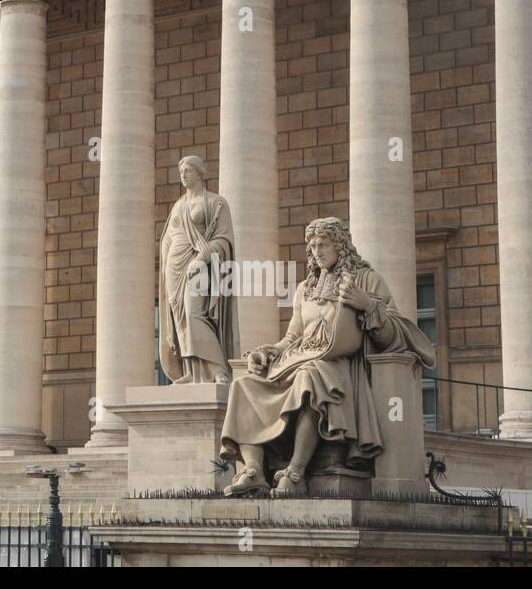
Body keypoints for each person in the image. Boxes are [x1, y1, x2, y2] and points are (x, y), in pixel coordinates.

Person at [221, 217, 434, 497]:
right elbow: (292, 338)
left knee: (311, 376)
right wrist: (267, 351)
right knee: (244, 385)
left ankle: (296, 471)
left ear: (340, 246)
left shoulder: (366, 280)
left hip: (341, 365)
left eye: (323, 244)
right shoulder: (305, 288)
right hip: (298, 361)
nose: (316, 251)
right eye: (312, 246)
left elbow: (393, 336)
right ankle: (253, 470)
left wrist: (367, 305)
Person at [158, 156, 235, 384]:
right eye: (181, 170)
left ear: (200, 174)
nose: (183, 174)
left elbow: (223, 239)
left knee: (195, 314)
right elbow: (168, 239)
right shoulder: (178, 206)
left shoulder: (215, 202)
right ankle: (191, 372)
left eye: (188, 170)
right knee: (180, 318)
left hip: (199, 263)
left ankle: (217, 368)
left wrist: (201, 258)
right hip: (175, 265)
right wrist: (165, 262)